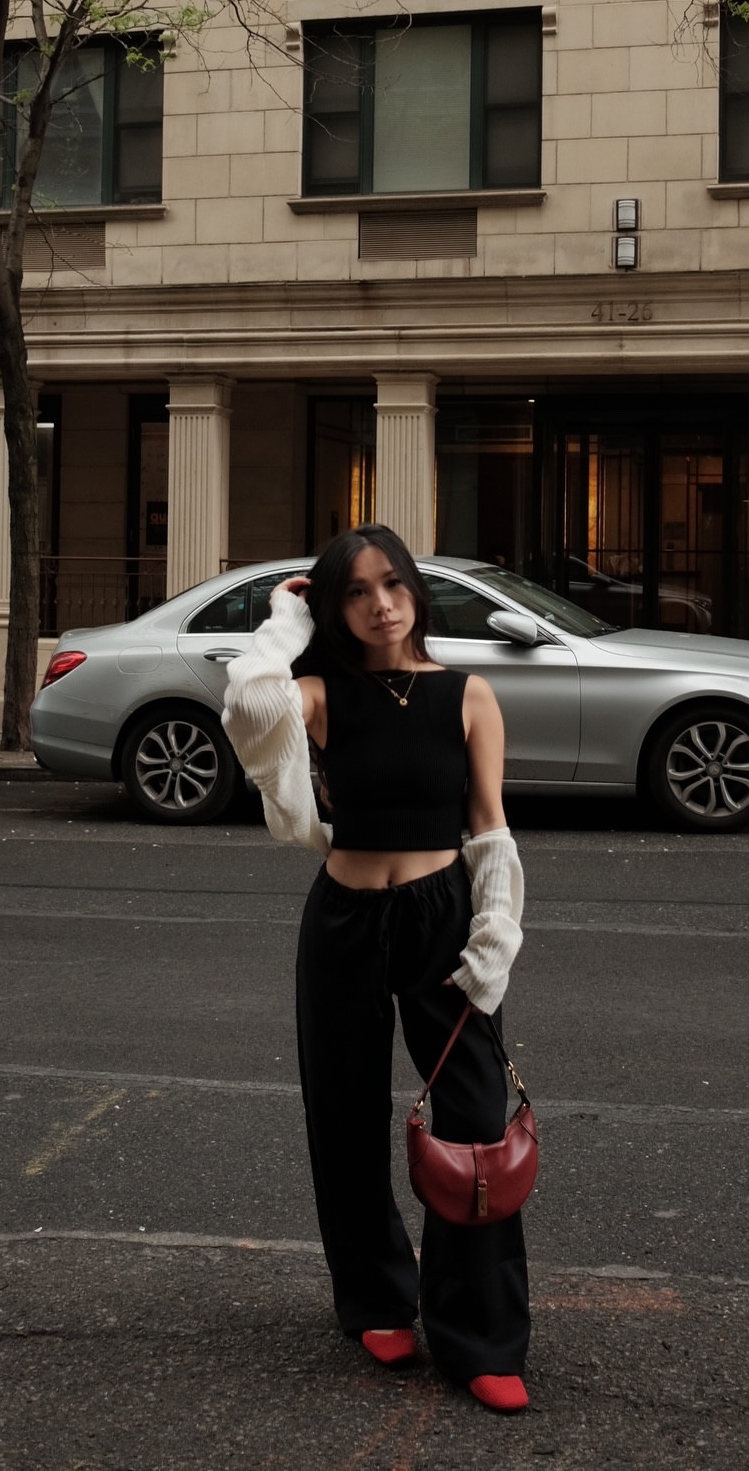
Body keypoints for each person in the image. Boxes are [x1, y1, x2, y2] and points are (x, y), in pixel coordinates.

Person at [221, 523, 529, 1413]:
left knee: (473, 1125)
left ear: (417, 593)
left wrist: (497, 925)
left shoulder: (469, 695)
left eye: (392, 585)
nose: (380, 605)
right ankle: (376, 1297)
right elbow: (248, 703)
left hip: (443, 918)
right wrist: (280, 625)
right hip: (345, 918)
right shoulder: (314, 693)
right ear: (334, 605)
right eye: (356, 592)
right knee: (344, 1114)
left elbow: (490, 825)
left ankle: (481, 1335)